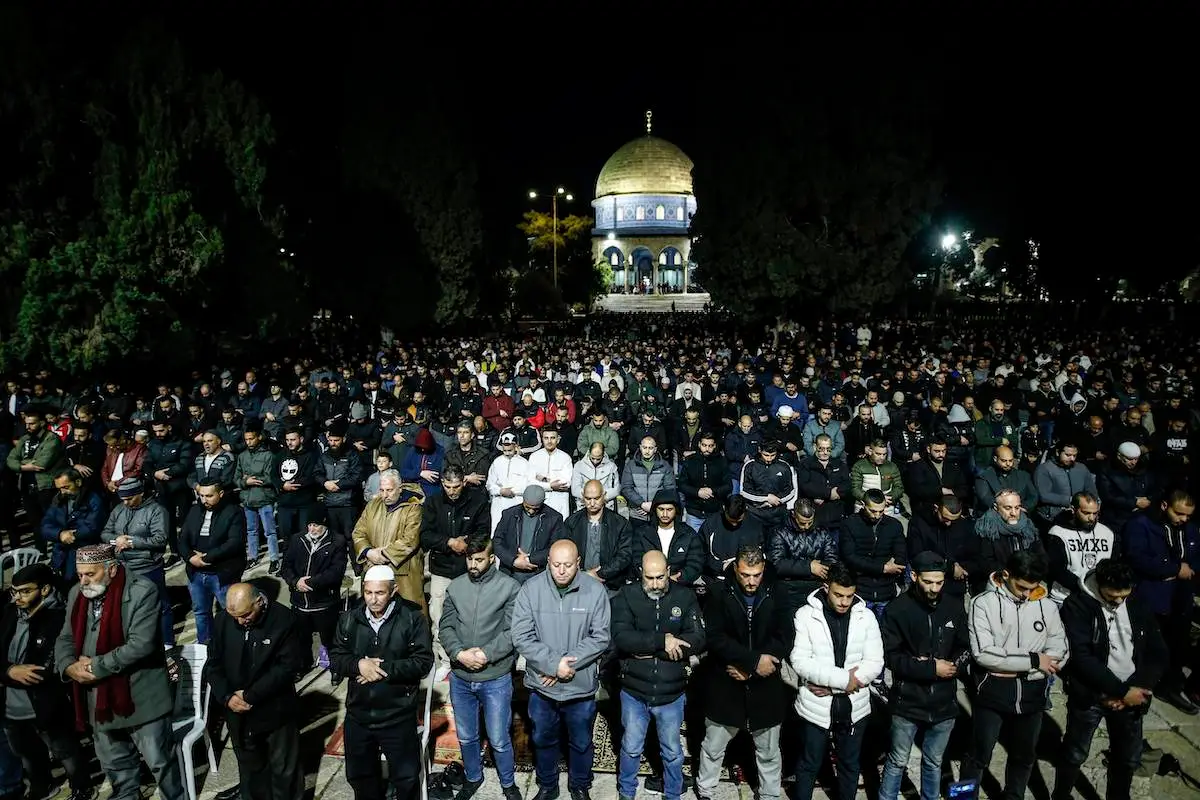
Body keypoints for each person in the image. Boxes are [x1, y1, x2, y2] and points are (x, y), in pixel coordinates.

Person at [54, 544, 183, 800]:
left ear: (111, 569)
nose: (84, 581)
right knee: (116, 767)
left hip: (141, 696)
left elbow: (140, 645)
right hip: (98, 700)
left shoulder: (142, 591)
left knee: (161, 764)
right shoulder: (76, 594)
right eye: (80, 575)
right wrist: (69, 666)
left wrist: (93, 667)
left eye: (91, 574)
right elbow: (65, 638)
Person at [1053, 559, 1167, 800]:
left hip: (1132, 695)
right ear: (1099, 585)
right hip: (1091, 696)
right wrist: (1119, 691)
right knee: (1075, 752)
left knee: (1127, 758)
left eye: (1123, 596)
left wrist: (1137, 688)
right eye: (1112, 596)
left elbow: (1157, 652)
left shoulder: (1136, 601)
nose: (1118, 602)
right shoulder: (1077, 605)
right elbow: (1081, 657)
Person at [960, 550, 1069, 800]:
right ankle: (963, 798)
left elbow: (1060, 650)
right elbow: (985, 655)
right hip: (992, 694)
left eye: (1033, 588)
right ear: (1006, 575)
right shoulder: (982, 603)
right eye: (1021, 587)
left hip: (1032, 694)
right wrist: (1034, 661)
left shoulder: (1047, 605)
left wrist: (1016, 667)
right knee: (978, 755)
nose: (1027, 595)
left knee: (1024, 755)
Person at [511, 539, 611, 800]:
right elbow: (522, 636)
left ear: (578, 563)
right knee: (543, 738)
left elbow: (600, 637)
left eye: (568, 565)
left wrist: (566, 664)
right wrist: (553, 665)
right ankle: (547, 785)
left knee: (580, 741)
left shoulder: (594, 591)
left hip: (579, 685)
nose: (562, 571)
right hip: (542, 686)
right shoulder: (530, 589)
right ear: (548, 563)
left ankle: (579, 785)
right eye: (556, 565)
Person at [330, 564, 434, 800]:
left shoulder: (412, 618)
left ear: (393, 590)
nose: (373, 600)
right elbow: (336, 658)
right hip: (359, 714)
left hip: (397, 714)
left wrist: (382, 668)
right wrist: (359, 665)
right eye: (368, 593)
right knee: (359, 777)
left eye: (380, 593)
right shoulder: (350, 619)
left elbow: (422, 662)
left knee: (406, 778)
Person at [695, 544, 790, 800]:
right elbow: (715, 637)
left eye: (756, 575)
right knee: (714, 745)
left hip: (765, 682)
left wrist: (756, 668)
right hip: (726, 680)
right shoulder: (718, 593)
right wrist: (751, 661)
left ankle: (770, 794)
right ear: (736, 569)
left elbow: (785, 635)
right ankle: (706, 789)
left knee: (769, 749)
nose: (751, 581)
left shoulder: (776, 591)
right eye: (746, 575)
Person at [612, 550, 706, 800]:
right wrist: (660, 641)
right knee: (631, 748)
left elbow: (698, 639)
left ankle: (673, 794)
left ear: (668, 572)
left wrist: (654, 651)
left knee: (673, 751)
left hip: (671, 692)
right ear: (641, 573)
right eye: (650, 578)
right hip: (634, 691)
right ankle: (626, 792)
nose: (655, 584)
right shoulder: (626, 596)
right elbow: (621, 638)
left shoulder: (685, 597)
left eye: (660, 578)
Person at [433, 540, 522, 800]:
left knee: (498, 738)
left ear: (492, 559)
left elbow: (512, 631)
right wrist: (459, 653)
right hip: (461, 677)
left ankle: (508, 783)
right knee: (467, 735)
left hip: (494, 676)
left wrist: (485, 654)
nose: (473, 565)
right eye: (470, 559)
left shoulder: (509, 587)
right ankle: (473, 777)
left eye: (479, 559)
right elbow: (446, 626)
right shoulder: (456, 586)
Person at [878, 551, 969, 800]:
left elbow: (965, 646)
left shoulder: (953, 606)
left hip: (944, 701)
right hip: (907, 701)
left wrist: (952, 666)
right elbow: (890, 657)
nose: (934, 588)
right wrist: (930, 668)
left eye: (939, 582)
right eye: (928, 582)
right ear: (914, 576)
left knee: (934, 760)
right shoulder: (898, 609)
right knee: (897, 760)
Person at [789, 563, 884, 800]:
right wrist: (844, 680)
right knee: (809, 764)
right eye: (838, 595)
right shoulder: (805, 615)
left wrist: (833, 686)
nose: (844, 602)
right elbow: (800, 661)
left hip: (855, 705)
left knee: (850, 765)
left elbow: (875, 661)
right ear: (826, 587)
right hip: (815, 706)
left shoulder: (866, 616)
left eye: (849, 596)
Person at [1, 562, 92, 800]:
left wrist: (14, 673)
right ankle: (43, 785)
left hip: (46, 701)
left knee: (65, 749)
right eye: (14, 591)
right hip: (11, 704)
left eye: (25, 591)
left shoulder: (58, 618)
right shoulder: (9, 613)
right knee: (27, 752)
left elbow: (46, 668)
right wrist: (10, 670)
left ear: (44, 590)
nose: (18, 597)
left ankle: (82, 787)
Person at [207, 583, 306, 800]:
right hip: (236, 710)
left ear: (259, 602)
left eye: (245, 615)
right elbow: (213, 664)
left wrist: (251, 695)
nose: (240, 621)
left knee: (283, 769)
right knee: (251, 768)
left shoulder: (283, 620)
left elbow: (287, 667)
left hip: (275, 709)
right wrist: (226, 697)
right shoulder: (224, 620)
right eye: (235, 616)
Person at [180, 476, 247, 645]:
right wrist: (190, 557)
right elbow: (183, 539)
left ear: (221, 493)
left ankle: (234, 643)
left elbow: (234, 543)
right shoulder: (195, 510)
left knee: (231, 611)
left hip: (222, 573)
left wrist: (206, 558)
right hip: (196, 573)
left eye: (209, 496)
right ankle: (205, 645)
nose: (204, 500)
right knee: (201, 612)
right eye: (201, 495)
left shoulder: (234, 512)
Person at [351, 468, 427, 613]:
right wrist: (368, 552)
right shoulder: (373, 505)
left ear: (400, 488)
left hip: (404, 571)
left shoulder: (413, 506)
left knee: (410, 614)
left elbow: (410, 540)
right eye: (382, 490)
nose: (385, 495)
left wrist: (383, 555)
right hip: (374, 569)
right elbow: (358, 532)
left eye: (389, 490)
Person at [280, 516, 347, 670]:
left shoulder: (337, 541)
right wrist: (295, 581)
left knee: (330, 639)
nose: (311, 529)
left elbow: (335, 572)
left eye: (315, 525)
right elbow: (286, 567)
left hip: (324, 603)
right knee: (301, 639)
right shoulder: (297, 539)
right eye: (309, 524)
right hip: (299, 603)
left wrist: (309, 583)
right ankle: (303, 665)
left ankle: (335, 667)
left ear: (324, 523)